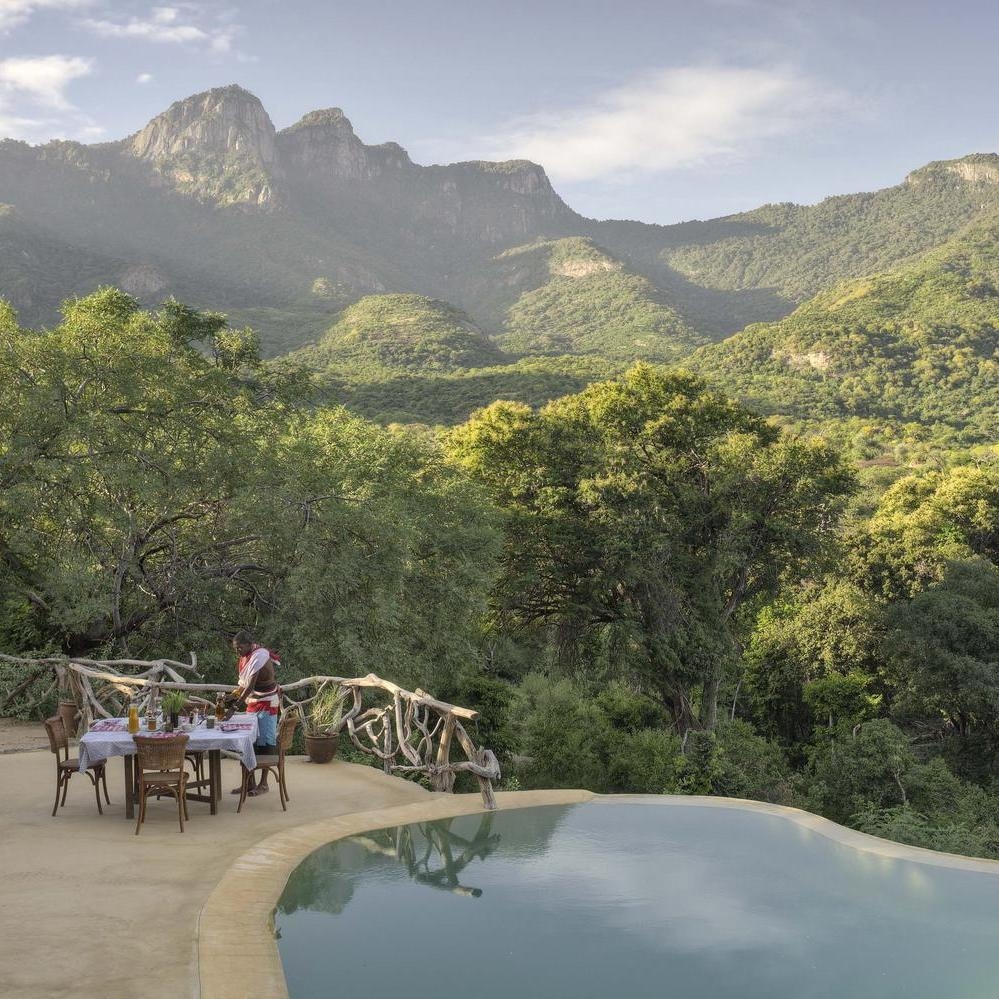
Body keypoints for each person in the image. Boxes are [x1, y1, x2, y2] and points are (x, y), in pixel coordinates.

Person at [229, 629, 280, 796]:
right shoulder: (245, 658)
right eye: (235, 648)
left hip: (267, 703)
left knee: (265, 743)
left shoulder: (260, 656)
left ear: (250, 645)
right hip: (253, 703)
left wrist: (234, 706)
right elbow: (243, 686)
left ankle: (263, 784)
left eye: (240, 648)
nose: (237, 651)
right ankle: (249, 782)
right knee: (247, 742)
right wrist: (231, 696)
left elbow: (250, 685)